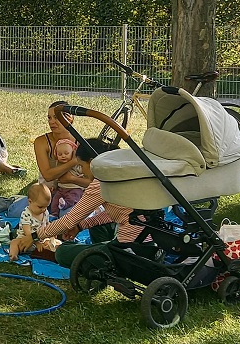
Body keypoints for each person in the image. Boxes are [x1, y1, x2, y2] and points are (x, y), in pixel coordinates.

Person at [12, 139, 144, 262]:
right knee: (96, 225)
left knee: (63, 252)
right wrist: (81, 226)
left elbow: (69, 220)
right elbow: (113, 215)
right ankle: (103, 250)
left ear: (92, 163)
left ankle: (106, 256)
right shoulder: (123, 176)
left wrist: (35, 236)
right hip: (148, 244)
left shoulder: (100, 184)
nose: (81, 170)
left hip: (129, 250)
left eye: (81, 165)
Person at [33, 104, 93, 203]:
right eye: (49, 118)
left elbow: (91, 182)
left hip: (74, 194)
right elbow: (47, 175)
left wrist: (71, 179)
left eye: (56, 117)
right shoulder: (41, 142)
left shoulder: (82, 143)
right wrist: (74, 161)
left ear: (70, 119)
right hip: (46, 194)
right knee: (19, 209)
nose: (51, 122)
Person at [9, 182, 54, 257]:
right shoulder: (26, 214)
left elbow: (47, 224)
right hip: (25, 240)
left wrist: (52, 233)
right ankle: (13, 255)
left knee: (51, 243)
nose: (43, 209)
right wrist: (36, 242)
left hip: (41, 239)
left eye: (46, 206)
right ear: (30, 201)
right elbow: (27, 232)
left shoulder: (45, 212)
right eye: (40, 207)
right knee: (15, 242)